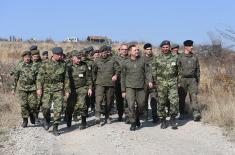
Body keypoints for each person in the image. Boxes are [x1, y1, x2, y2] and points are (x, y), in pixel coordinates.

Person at [36, 47, 70, 136]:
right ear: (54, 55)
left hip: (58, 88)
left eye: (61, 55)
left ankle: (55, 127)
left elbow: (66, 78)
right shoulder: (45, 64)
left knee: (58, 108)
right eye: (59, 55)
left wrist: (67, 90)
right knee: (45, 107)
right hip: (47, 88)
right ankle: (47, 119)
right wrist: (39, 88)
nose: (60, 56)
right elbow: (40, 77)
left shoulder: (63, 64)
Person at [121, 44, 152, 131]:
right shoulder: (125, 63)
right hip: (129, 87)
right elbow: (122, 77)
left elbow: (148, 72)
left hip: (141, 87)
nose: (137, 51)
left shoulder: (143, 61)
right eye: (135, 50)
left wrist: (149, 81)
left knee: (141, 105)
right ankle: (133, 122)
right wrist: (123, 90)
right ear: (130, 52)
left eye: (138, 50)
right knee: (130, 105)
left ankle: (137, 117)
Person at [151, 40, 179, 129]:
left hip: (172, 82)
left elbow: (180, 70)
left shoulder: (175, 57)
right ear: (161, 48)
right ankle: (163, 120)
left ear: (169, 47)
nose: (165, 49)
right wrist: (155, 82)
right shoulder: (157, 58)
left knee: (174, 101)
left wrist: (179, 81)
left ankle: (173, 119)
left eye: (167, 47)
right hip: (161, 83)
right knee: (161, 102)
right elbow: (153, 71)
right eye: (163, 47)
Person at [92, 45, 120, 126]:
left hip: (110, 84)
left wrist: (116, 75)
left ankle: (107, 116)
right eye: (102, 52)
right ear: (100, 53)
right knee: (98, 100)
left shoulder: (113, 60)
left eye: (105, 52)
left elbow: (118, 69)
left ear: (107, 52)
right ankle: (98, 117)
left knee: (109, 101)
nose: (103, 53)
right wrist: (94, 82)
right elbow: (93, 72)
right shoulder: (97, 61)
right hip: (100, 84)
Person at [65, 50, 93, 129]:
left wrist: (90, 88)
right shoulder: (68, 66)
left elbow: (89, 78)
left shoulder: (85, 65)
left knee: (82, 105)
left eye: (80, 58)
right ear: (73, 58)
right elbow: (66, 79)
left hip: (82, 88)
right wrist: (66, 90)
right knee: (70, 106)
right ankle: (69, 120)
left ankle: (83, 122)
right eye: (78, 58)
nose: (79, 60)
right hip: (71, 89)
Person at [11, 51, 38, 127]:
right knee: (23, 105)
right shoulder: (20, 66)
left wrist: (39, 88)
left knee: (33, 105)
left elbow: (38, 78)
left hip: (32, 88)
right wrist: (13, 89)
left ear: (30, 57)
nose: (27, 59)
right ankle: (25, 120)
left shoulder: (34, 65)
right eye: (26, 57)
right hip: (22, 89)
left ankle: (31, 114)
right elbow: (16, 78)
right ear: (23, 58)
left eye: (28, 57)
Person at [178, 40, 201, 121]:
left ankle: (196, 113)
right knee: (181, 97)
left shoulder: (195, 57)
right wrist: (178, 81)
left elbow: (198, 69)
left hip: (192, 80)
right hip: (182, 79)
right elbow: (176, 69)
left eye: (192, 45)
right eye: (190, 46)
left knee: (194, 96)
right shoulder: (180, 57)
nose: (192, 47)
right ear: (186, 47)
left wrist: (198, 80)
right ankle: (181, 113)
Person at [143, 43, 158, 123]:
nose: (149, 51)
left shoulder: (155, 59)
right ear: (145, 50)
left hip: (154, 83)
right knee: (144, 100)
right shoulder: (141, 59)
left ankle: (155, 116)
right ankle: (145, 116)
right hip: (144, 83)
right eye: (148, 49)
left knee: (154, 100)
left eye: (150, 49)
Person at [114, 44, 129, 122]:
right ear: (120, 50)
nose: (124, 51)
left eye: (126, 49)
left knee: (127, 99)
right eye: (123, 49)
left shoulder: (130, 58)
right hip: (118, 82)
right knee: (119, 99)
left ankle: (127, 115)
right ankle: (120, 114)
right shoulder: (115, 59)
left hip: (128, 82)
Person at [31, 49, 43, 123]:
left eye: (37, 56)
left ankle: (36, 116)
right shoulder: (29, 63)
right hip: (30, 86)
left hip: (39, 85)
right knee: (32, 102)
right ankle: (31, 114)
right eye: (34, 56)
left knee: (38, 102)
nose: (36, 58)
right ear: (32, 56)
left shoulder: (41, 63)